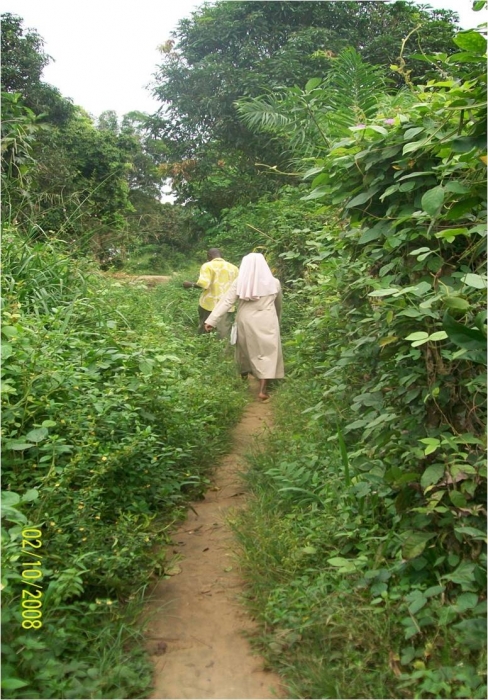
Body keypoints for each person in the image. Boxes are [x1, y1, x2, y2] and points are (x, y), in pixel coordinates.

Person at [204, 252, 284, 401]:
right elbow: (278, 304)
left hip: (246, 320)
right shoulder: (274, 283)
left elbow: (227, 302)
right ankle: (262, 390)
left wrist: (211, 320)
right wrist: (277, 319)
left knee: (245, 350)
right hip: (268, 320)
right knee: (267, 353)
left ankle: (243, 380)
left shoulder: (240, 282)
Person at [183, 248, 238, 338]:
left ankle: (203, 346)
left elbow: (204, 284)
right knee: (223, 332)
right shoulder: (233, 268)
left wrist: (189, 284)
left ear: (209, 256)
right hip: (227, 305)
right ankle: (221, 349)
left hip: (209, 304)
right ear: (221, 256)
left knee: (204, 328)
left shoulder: (207, 266)